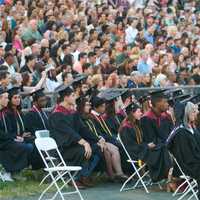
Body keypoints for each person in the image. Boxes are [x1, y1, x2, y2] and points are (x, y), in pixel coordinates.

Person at [49, 84, 100, 188]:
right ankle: (73, 178)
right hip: (62, 148)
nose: (75, 97)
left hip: (74, 145)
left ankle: (83, 176)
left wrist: (97, 139)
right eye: (72, 95)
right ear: (66, 97)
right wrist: (85, 143)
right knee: (83, 150)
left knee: (97, 148)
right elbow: (69, 134)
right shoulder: (56, 114)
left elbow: (83, 129)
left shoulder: (72, 112)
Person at [89, 96, 127, 180]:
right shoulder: (92, 117)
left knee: (119, 146)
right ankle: (118, 173)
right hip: (98, 141)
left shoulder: (99, 116)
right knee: (114, 149)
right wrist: (111, 139)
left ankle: (119, 172)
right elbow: (97, 133)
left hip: (105, 139)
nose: (104, 108)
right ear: (95, 107)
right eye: (102, 106)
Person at [167, 101, 200, 198]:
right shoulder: (181, 132)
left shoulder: (192, 128)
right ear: (187, 113)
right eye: (193, 111)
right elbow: (188, 156)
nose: (196, 113)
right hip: (190, 165)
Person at [0, 86, 32, 181]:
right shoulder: (5, 113)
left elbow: (9, 131)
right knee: (23, 146)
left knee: (27, 144)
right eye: (5, 98)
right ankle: (13, 171)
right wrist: (14, 137)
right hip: (2, 142)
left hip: (6, 140)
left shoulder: (3, 113)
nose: (8, 100)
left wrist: (16, 137)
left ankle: (16, 171)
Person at [140, 89, 173, 182]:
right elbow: (151, 140)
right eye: (165, 102)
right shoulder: (146, 118)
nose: (168, 104)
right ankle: (172, 177)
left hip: (164, 144)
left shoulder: (166, 116)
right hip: (153, 150)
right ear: (158, 103)